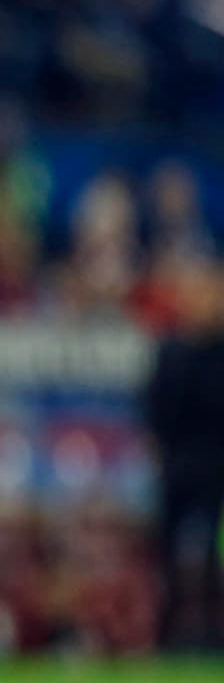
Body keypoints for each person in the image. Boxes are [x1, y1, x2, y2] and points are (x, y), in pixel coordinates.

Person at [144, 255, 224, 650]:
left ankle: (212, 634)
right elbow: (154, 408)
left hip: (216, 467)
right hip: (177, 467)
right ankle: (166, 635)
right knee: (166, 556)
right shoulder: (171, 351)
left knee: (212, 556)